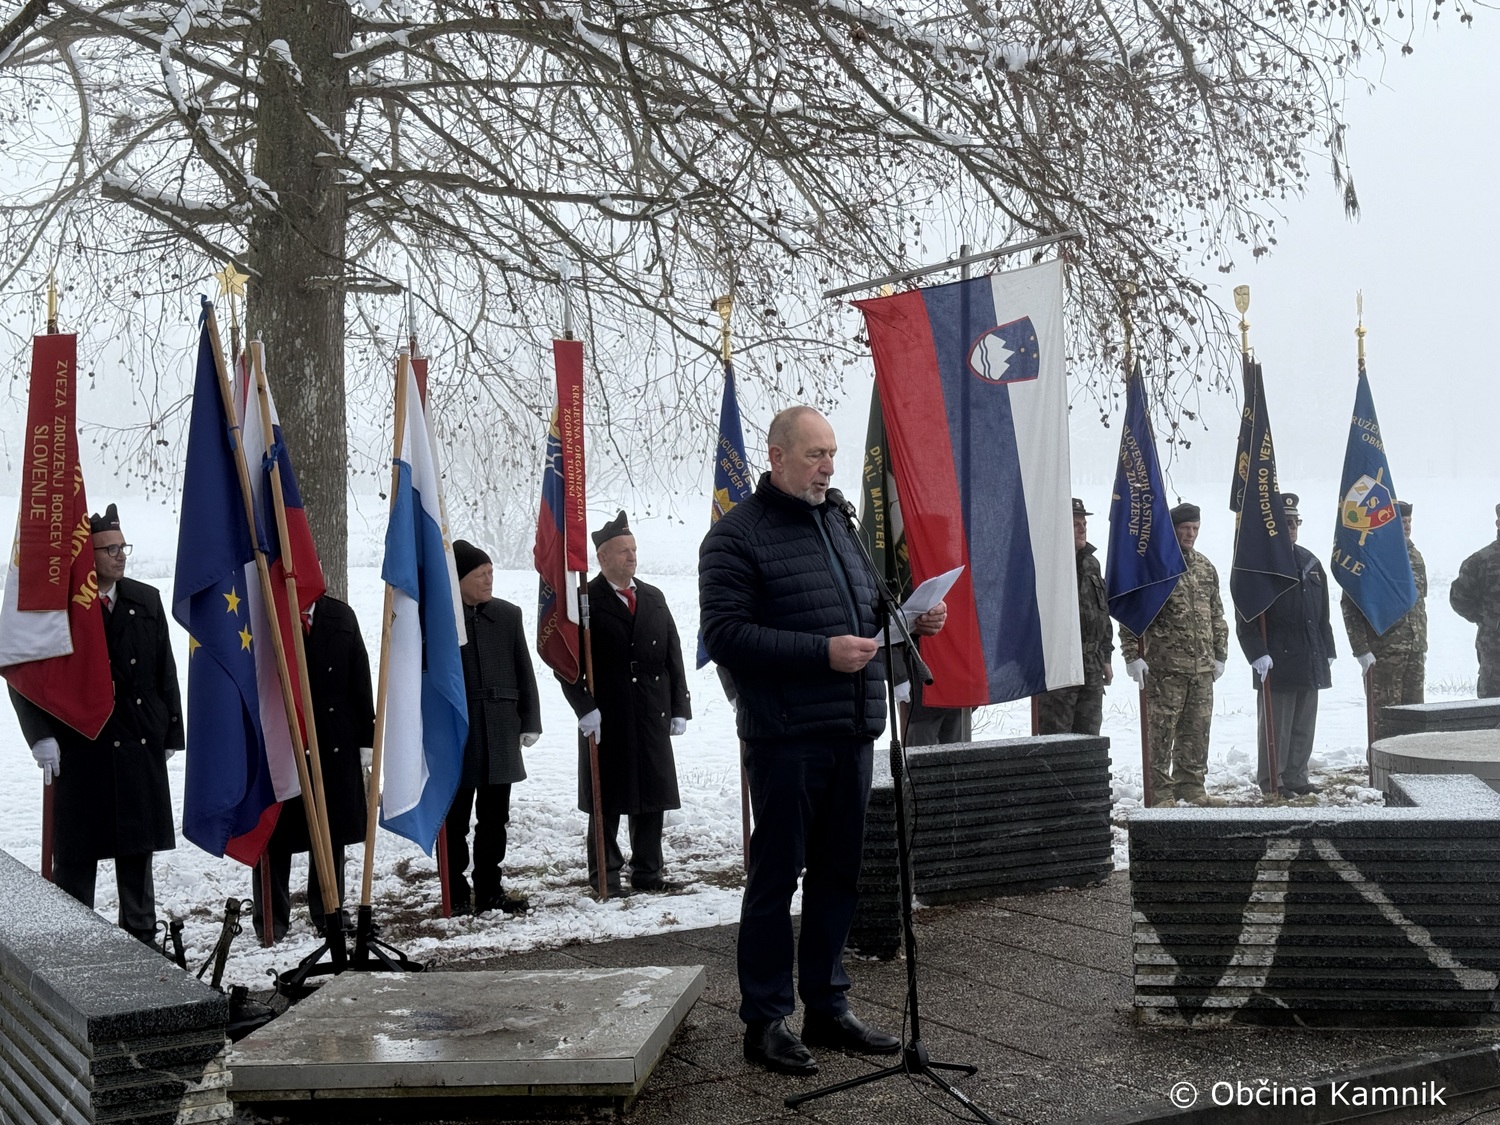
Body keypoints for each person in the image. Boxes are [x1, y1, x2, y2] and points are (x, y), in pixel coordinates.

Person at [700, 405, 947, 1077]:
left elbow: (866, 609)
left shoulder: (840, 522)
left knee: (840, 874)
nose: (829, 466)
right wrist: (819, 652)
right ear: (776, 457)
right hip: (786, 735)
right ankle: (764, 1017)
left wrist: (913, 616)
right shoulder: (734, 537)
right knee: (777, 876)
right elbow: (724, 634)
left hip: (852, 726)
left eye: (832, 453)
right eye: (815, 454)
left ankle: (826, 1006)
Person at [12, 504, 182, 944]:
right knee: (76, 859)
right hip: (82, 748)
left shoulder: (145, 599)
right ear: (87, 555)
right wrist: (40, 735)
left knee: (136, 855)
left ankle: (143, 945)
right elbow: (24, 671)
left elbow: (165, 669)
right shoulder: (61, 607)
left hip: (138, 740)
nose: (120, 556)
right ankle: (74, 948)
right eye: (109, 549)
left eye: (123, 547)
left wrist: (169, 730)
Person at [559, 512, 690, 895]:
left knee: (652, 792)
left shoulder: (652, 597)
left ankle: (649, 873)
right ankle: (606, 874)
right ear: (602, 557)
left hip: (651, 708)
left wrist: (680, 705)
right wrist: (584, 706)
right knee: (609, 797)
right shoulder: (586, 600)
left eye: (633, 550)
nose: (631, 557)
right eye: (622, 551)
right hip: (607, 711)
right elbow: (566, 663)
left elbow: (673, 655)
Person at [251, 594, 374, 943]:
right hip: (281, 735)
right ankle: (272, 919)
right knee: (276, 833)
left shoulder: (340, 615)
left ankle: (330, 910)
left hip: (335, 738)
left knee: (331, 829)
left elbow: (359, 676)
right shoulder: (265, 609)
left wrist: (367, 736)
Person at [444, 540, 541, 915]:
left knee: (495, 817)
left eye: (491, 572)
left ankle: (489, 888)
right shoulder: (441, 618)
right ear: (460, 580)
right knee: (455, 821)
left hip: (501, 728)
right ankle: (453, 887)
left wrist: (529, 720)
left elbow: (524, 671)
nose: (488, 580)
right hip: (460, 731)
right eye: (480, 574)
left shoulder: (507, 615)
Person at [1117, 502, 1227, 806]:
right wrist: (1131, 654)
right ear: (1173, 529)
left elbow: (1216, 613)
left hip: (1201, 668)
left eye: (1195, 529)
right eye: (1185, 529)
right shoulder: (1157, 566)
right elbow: (1132, 612)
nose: (1190, 534)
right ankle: (1160, 792)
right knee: (1161, 734)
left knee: (1196, 732)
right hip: (1165, 667)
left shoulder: (1205, 567)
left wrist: (1220, 654)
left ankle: (1191, 787)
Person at [1237, 493, 1337, 796]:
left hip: (1309, 656)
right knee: (1276, 727)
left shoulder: (1310, 561)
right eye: (1286, 522)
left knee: (1303, 725)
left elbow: (1322, 615)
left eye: (1295, 522)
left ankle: (1296, 775)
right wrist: (1256, 653)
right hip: (1276, 659)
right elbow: (1247, 616)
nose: (1291, 527)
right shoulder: (1261, 564)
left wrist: (1328, 649)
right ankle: (1274, 781)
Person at [1341, 500, 1427, 741]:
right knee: (1385, 721)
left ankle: (1412, 773)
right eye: (1401, 522)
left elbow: (1420, 603)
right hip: (1384, 654)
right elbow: (1351, 606)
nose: (1407, 526)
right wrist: (1361, 649)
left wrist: (1419, 641)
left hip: (1414, 650)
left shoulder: (1414, 555)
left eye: (1409, 521)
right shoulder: (1372, 557)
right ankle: (1382, 774)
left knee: (1415, 720)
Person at [1037, 498, 1114, 736]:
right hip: (1059, 664)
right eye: (1075, 524)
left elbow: (1103, 613)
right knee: (1057, 740)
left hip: (1091, 664)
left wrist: (1106, 657)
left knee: (1090, 738)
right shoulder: (1046, 563)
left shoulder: (1092, 563)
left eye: (1084, 524)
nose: (1082, 529)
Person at [1450, 503, 1500, 699]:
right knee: (1493, 713)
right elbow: (1459, 599)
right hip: (1495, 653)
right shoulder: (1480, 561)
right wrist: (1488, 620)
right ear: (1498, 523)